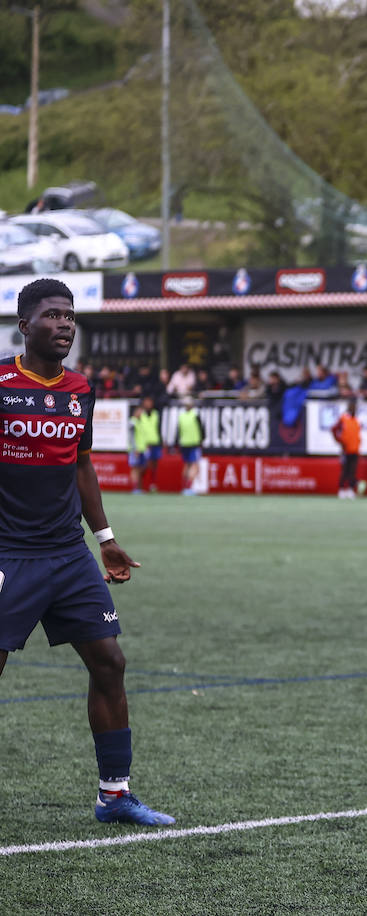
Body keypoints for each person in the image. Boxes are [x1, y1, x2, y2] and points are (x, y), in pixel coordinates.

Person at [0, 278, 174, 826]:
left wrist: (105, 539)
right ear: (24, 325)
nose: (65, 324)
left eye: (70, 316)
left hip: (68, 555)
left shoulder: (79, 389)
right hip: (9, 554)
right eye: (52, 315)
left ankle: (115, 795)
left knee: (110, 662)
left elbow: (80, 465)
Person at [331, 398, 361, 499]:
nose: (354, 409)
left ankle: (351, 490)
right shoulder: (343, 419)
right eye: (352, 407)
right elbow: (334, 429)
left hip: (355, 449)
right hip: (346, 450)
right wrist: (339, 440)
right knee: (345, 470)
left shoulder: (356, 421)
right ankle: (341, 489)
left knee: (353, 471)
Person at [131, 395, 161, 493]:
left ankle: (150, 485)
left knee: (152, 465)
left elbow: (158, 428)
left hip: (153, 443)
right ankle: (138, 486)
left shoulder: (156, 414)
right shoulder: (137, 417)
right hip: (142, 445)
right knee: (142, 466)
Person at [176, 396, 204, 495]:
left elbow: (178, 431)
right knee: (194, 465)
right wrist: (201, 441)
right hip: (194, 443)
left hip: (184, 443)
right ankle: (188, 487)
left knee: (187, 465)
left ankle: (184, 487)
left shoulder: (181, 416)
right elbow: (201, 430)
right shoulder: (195, 415)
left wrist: (177, 443)